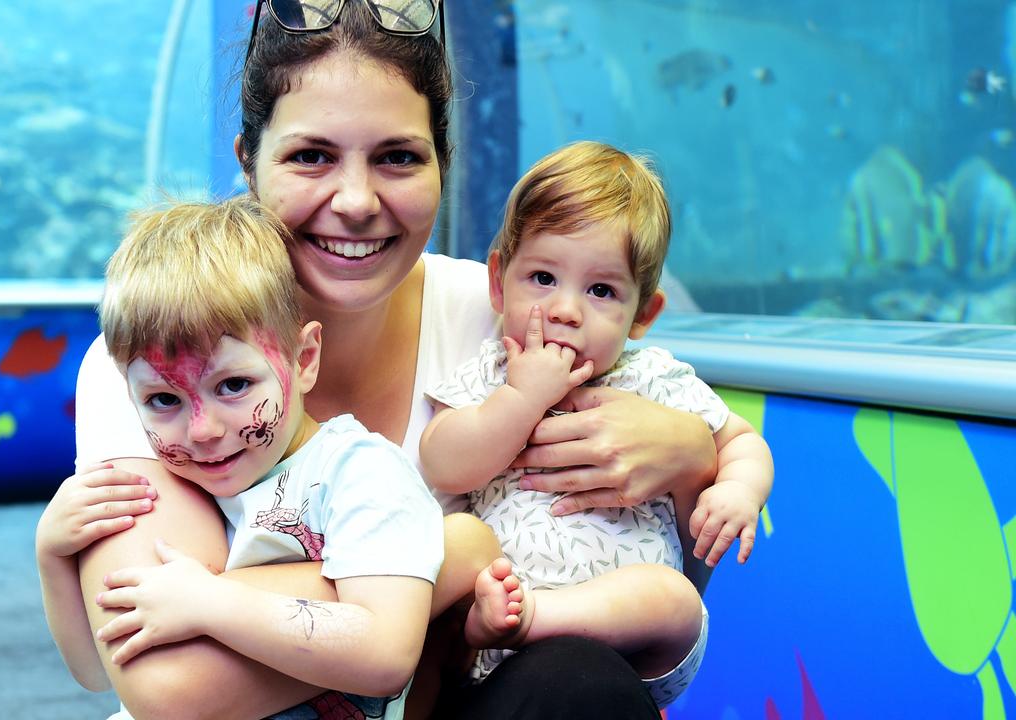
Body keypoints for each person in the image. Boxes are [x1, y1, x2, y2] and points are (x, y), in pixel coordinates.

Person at [40, 2, 720, 718]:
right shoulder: (158, 358)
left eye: (397, 156)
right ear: (248, 161)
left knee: (578, 681)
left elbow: (658, 605)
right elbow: (170, 687)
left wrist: (689, 458)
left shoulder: (519, 314)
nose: (357, 201)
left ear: (443, 164)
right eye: (312, 156)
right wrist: (448, 558)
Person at [419, 140, 775, 709]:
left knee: (673, 598)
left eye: (601, 290)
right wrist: (519, 397)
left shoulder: (653, 378)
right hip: (500, 632)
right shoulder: (491, 373)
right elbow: (442, 460)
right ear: (497, 282)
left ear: (643, 315)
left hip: (629, 637)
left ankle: (536, 619)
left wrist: (739, 488)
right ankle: (516, 616)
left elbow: (739, 439)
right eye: (541, 277)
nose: (565, 309)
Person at [77, 196, 455, 719]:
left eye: (233, 385)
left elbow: (386, 653)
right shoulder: (177, 485)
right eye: (164, 399)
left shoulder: (360, 473)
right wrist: (52, 556)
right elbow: (96, 671)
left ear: (304, 360)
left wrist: (210, 601)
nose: (203, 431)